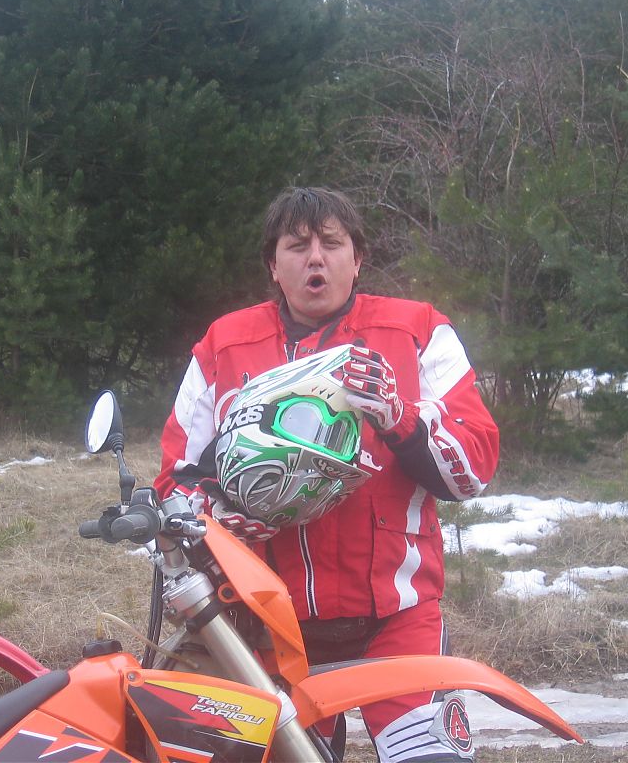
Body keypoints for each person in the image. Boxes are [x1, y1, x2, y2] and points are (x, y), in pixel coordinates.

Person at [154, 187, 499, 762]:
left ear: (357, 259)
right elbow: (175, 482)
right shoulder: (224, 345)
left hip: (399, 616)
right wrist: (217, 514)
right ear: (273, 266)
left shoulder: (417, 330)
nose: (316, 258)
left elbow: (475, 466)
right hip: (267, 626)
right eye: (297, 246)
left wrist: (399, 417)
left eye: (332, 244)